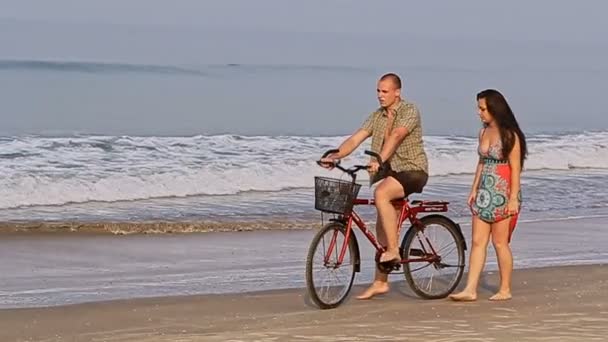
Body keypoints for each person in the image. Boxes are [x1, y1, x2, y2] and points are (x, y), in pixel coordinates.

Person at [319, 73, 429, 300]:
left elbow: (397, 136)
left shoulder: (409, 110)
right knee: (382, 228)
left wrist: (379, 160)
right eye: (378, 91)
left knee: (381, 194)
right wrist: (336, 155)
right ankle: (381, 282)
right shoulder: (376, 116)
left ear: (397, 92)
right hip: (388, 174)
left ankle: (394, 251)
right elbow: (356, 138)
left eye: (385, 91)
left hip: (412, 170)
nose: (380, 95)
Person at [449, 89, 527, 302]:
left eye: (482, 108)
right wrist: (474, 189)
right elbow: (482, 162)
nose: (479, 112)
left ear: (495, 109)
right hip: (484, 191)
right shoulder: (483, 132)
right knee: (477, 241)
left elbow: (515, 168)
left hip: (503, 191)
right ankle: (470, 289)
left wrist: (513, 198)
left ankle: (505, 289)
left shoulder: (510, 135)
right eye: (479, 108)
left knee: (500, 243)